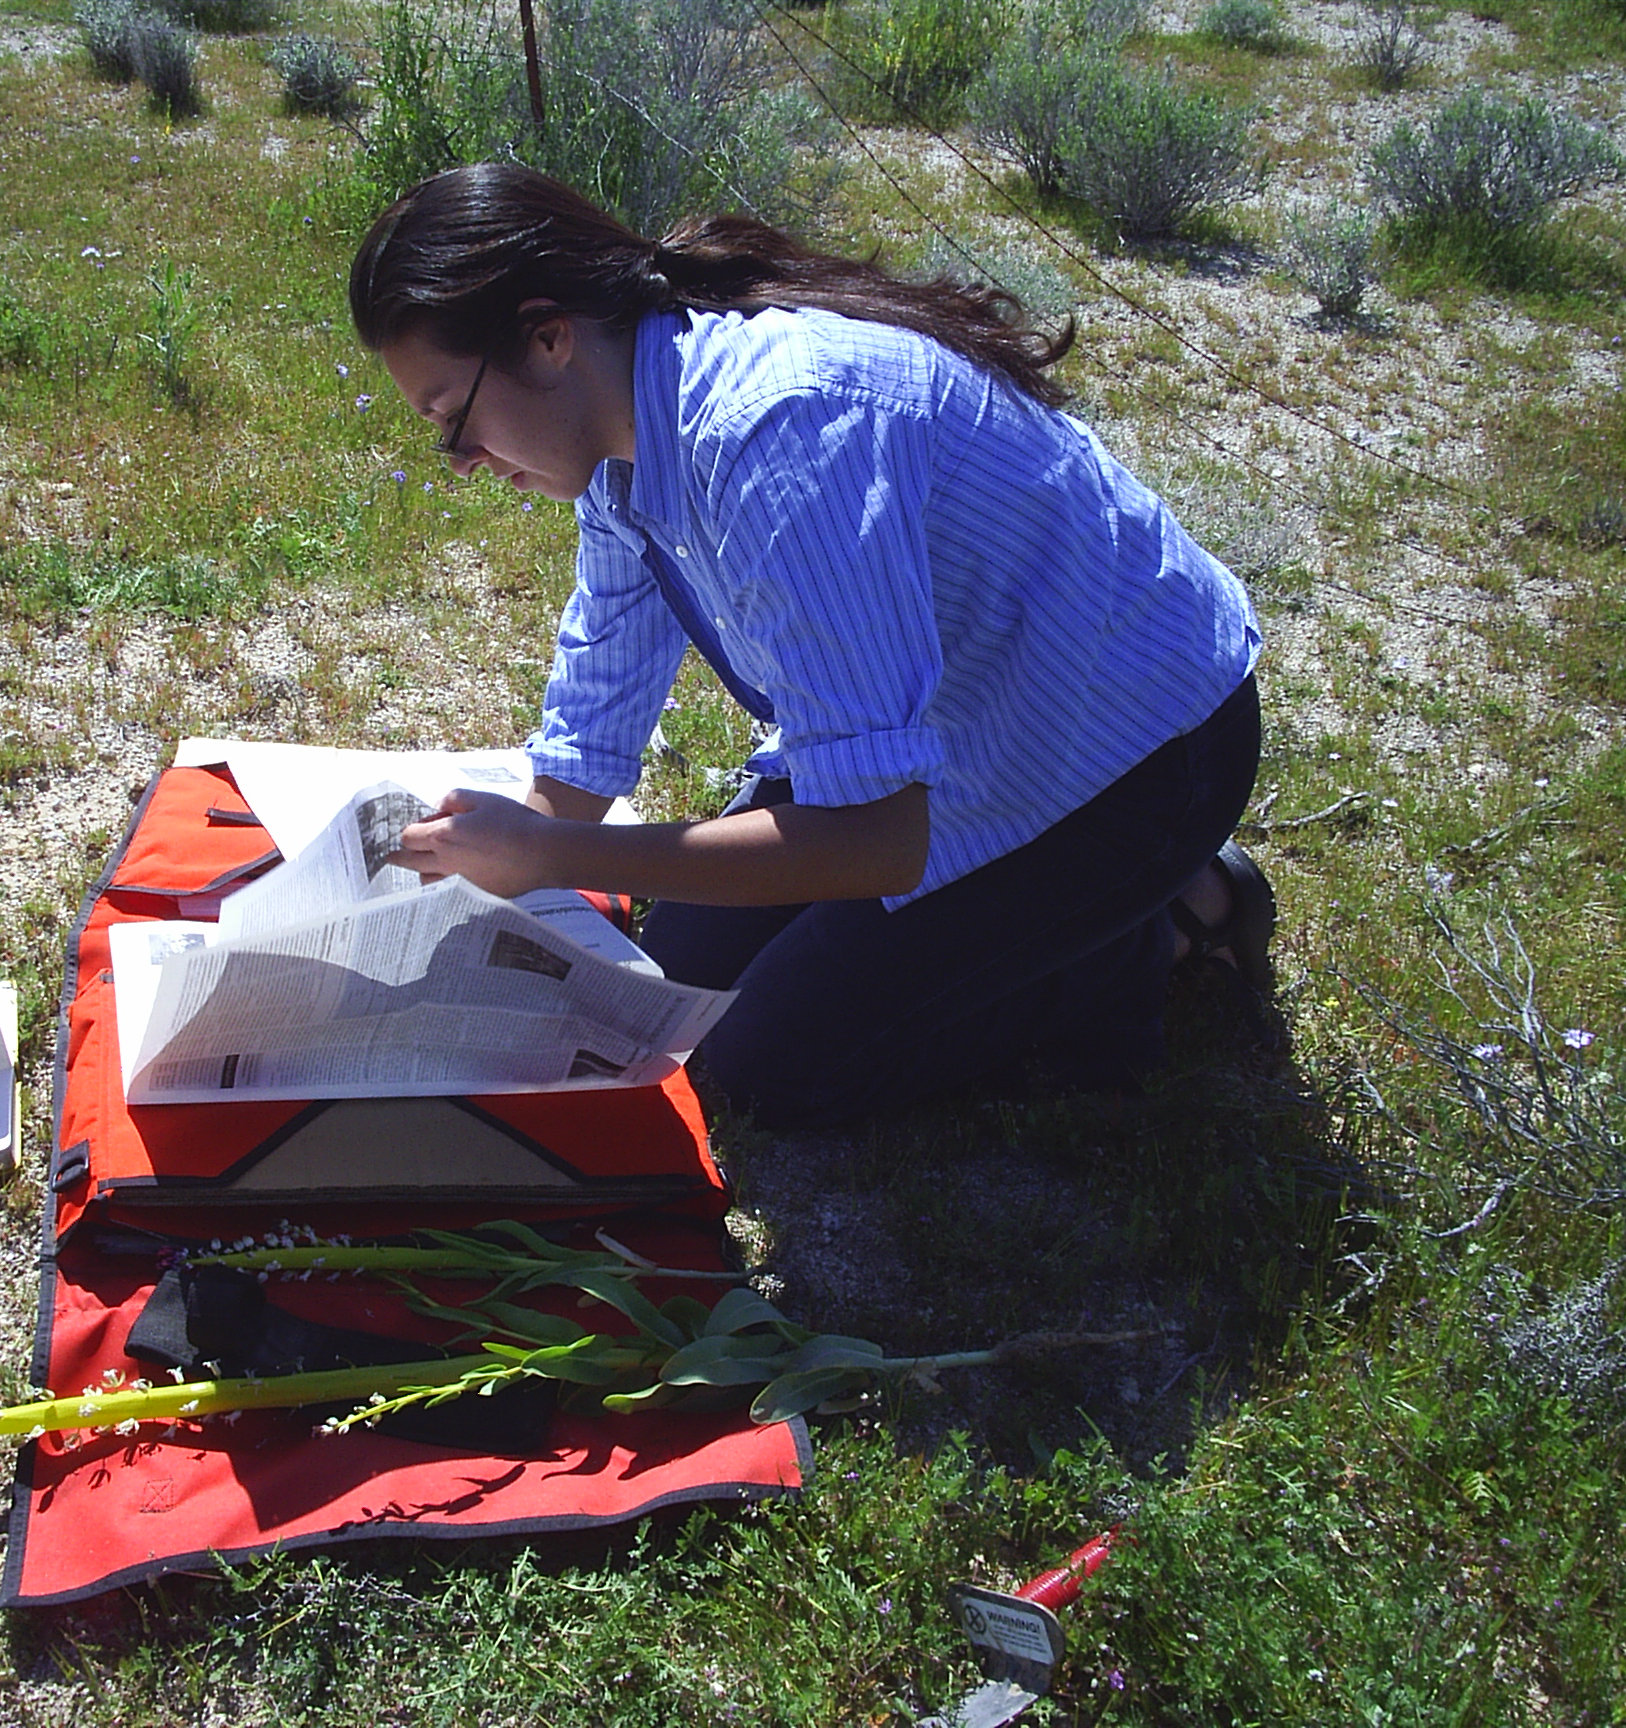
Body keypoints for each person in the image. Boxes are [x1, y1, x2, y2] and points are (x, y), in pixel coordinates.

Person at [352, 163, 1272, 1128]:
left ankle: (1155, 930)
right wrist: (474, 880)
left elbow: (874, 839)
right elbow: (588, 737)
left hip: (1135, 756)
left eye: (453, 420)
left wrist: (550, 853)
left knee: (767, 1069)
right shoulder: (623, 444)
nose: (460, 465)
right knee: (679, 979)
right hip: (960, 728)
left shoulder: (779, 439)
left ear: (548, 339)